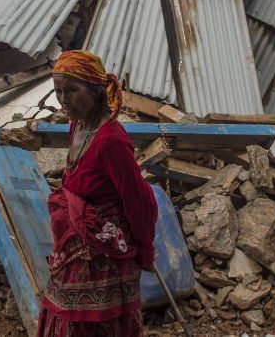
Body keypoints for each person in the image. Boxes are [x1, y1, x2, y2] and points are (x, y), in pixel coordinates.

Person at [37, 50, 159, 337]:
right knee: (63, 312)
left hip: (103, 250)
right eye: (58, 91)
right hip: (77, 240)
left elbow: (138, 199)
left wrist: (146, 251)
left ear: (95, 91)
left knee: (90, 322)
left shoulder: (111, 140)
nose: (63, 99)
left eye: (71, 91)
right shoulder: (77, 125)